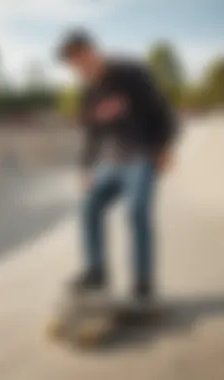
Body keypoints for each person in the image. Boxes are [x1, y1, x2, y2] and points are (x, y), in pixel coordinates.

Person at [56, 30, 178, 302]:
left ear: (92, 51)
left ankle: (142, 282)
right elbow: (90, 134)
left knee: (136, 213)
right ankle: (97, 271)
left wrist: (165, 146)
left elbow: (163, 110)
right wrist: (85, 168)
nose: (81, 69)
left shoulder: (131, 73)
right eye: (74, 66)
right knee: (88, 207)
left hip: (140, 158)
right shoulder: (88, 93)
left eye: (82, 60)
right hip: (109, 163)